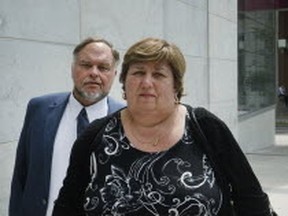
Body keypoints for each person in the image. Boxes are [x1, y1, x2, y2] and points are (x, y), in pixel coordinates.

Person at [52, 37, 277, 215]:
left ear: (176, 85)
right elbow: (67, 206)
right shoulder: (95, 136)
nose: (146, 82)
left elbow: (251, 199)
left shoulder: (206, 127)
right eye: (138, 72)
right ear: (124, 81)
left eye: (158, 74)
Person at [9, 37, 125, 216]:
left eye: (103, 67)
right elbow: (21, 175)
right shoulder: (39, 109)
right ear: (73, 69)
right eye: (86, 65)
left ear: (114, 74)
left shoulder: (126, 119)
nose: (94, 73)